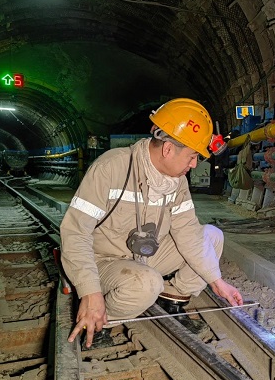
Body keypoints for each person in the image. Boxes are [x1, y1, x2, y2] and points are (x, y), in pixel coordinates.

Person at [60, 98, 244, 349]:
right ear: (167, 149)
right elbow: (75, 233)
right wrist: (89, 291)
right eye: (192, 156)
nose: (194, 165)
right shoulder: (112, 168)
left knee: (211, 236)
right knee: (147, 283)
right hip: (104, 260)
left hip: (145, 255)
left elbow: (189, 232)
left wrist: (217, 282)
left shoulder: (177, 182)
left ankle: (172, 298)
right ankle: (100, 320)